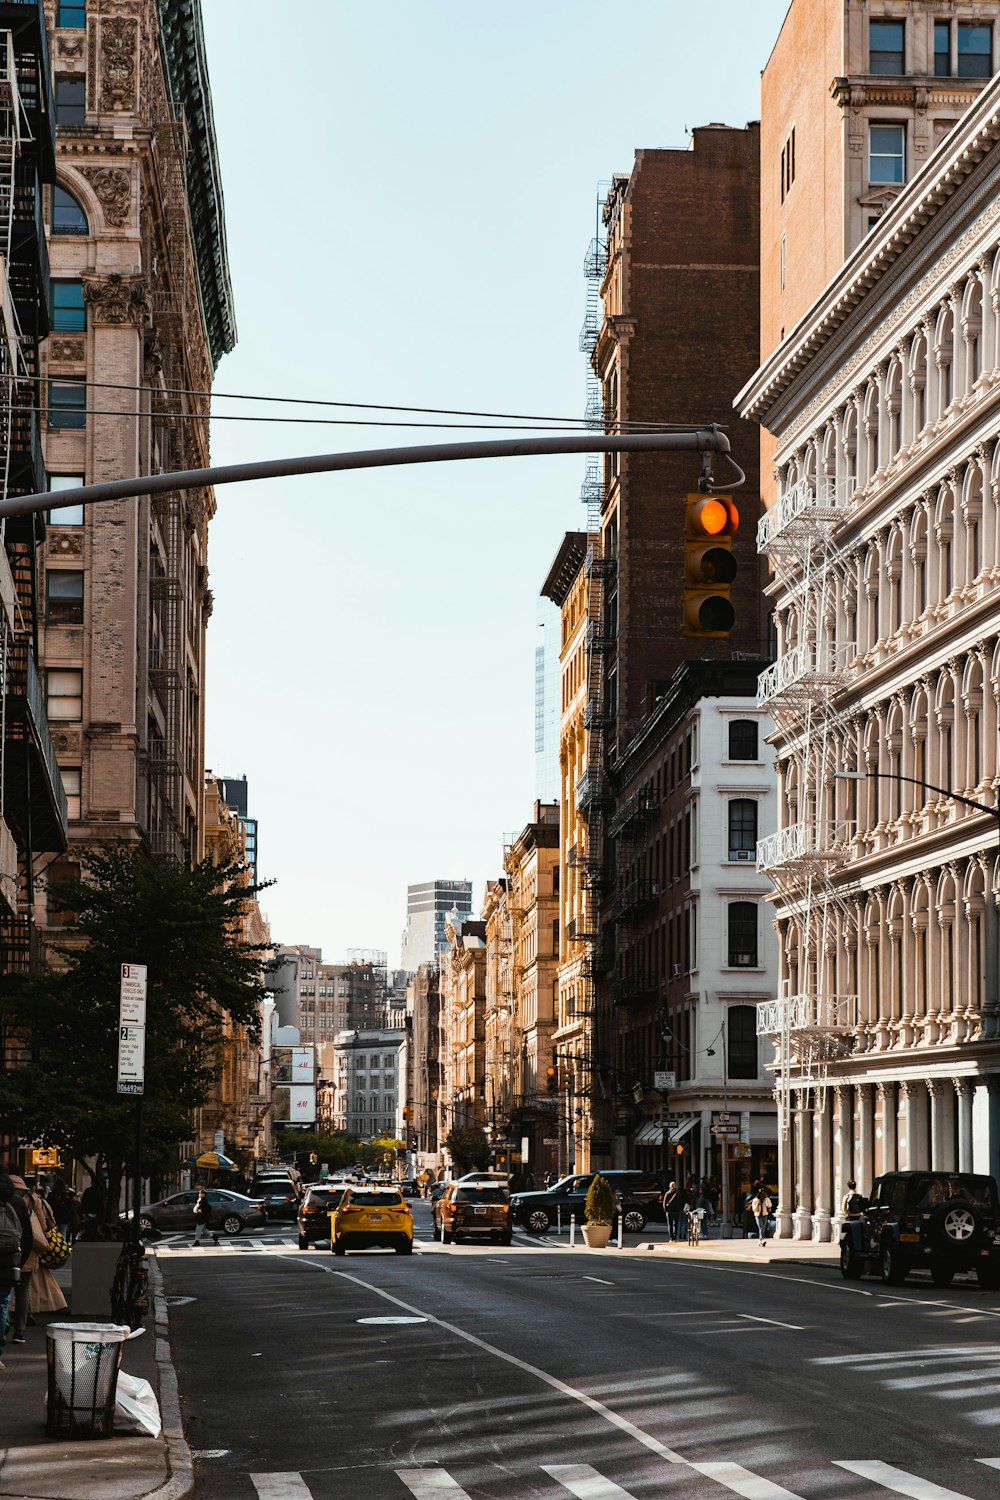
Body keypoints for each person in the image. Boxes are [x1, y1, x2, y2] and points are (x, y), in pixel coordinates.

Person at [0, 1173, 31, 1369]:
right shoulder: (18, 1204)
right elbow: (26, 1237)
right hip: (8, 1264)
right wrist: (19, 1263)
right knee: (2, 1306)